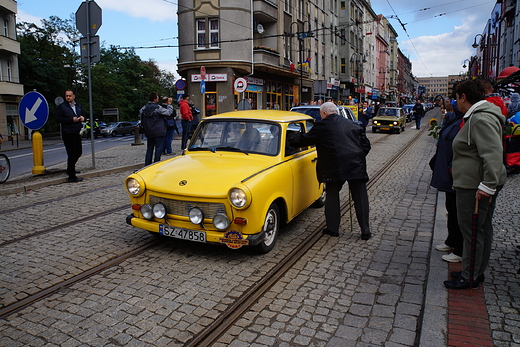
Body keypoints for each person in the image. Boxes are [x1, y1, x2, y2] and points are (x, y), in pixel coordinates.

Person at [444, 79, 507, 290]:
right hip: (476, 183)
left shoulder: (480, 119)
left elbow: (493, 153)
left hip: (474, 186)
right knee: (481, 229)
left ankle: (469, 276)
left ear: (463, 97)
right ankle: (476, 272)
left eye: (456, 97)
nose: (455, 102)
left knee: (472, 231)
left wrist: (487, 184)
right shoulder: (481, 116)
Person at [288, 102, 372, 240]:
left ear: (325, 114)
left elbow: (305, 140)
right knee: (360, 198)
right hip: (356, 166)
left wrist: (290, 139)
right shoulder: (353, 124)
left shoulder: (322, 126)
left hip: (334, 167)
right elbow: (366, 146)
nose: (321, 117)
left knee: (332, 196)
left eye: (321, 115)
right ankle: (365, 231)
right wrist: (356, 157)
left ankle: (333, 229)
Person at [430, 102, 464, 263]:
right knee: (451, 209)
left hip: (456, 173)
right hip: (448, 174)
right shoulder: (455, 120)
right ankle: (451, 241)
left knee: (459, 213)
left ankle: (460, 248)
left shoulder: (466, 121)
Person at [55, 89, 84, 183]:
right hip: (68, 132)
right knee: (71, 154)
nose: (68, 97)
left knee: (78, 152)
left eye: (70, 96)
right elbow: (58, 119)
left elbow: (81, 115)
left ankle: (70, 169)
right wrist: (71, 120)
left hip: (76, 132)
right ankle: (71, 176)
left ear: (73, 96)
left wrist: (82, 118)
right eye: (66, 96)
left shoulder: (78, 106)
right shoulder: (62, 107)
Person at [140, 92, 173, 166]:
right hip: (159, 131)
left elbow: (141, 116)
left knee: (149, 148)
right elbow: (168, 113)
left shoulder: (143, 108)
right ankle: (156, 163)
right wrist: (169, 104)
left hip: (148, 131)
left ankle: (147, 164)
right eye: (157, 98)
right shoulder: (157, 107)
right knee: (158, 149)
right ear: (155, 99)